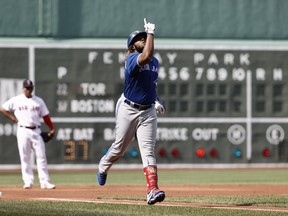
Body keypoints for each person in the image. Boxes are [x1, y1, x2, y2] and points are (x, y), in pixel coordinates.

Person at [97, 18, 166, 205]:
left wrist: (156, 99)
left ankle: (152, 190)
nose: (143, 38)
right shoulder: (132, 59)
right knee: (119, 148)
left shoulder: (155, 62)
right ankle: (103, 165)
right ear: (131, 45)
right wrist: (151, 32)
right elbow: (146, 56)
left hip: (148, 111)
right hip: (128, 108)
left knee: (148, 151)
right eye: (139, 38)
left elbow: (150, 84)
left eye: (145, 37)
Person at [0, 79, 56, 189]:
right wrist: (14, 119)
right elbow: (3, 108)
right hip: (23, 130)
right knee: (25, 157)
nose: (28, 90)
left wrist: (52, 128)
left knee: (41, 156)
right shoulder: (17, 100)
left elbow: (46, 116)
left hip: (36, 131)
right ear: (23, 88)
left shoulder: (39, 101)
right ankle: (28, 181)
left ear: (32, 88)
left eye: (30, 88)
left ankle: (44, 181)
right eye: (26, 88)